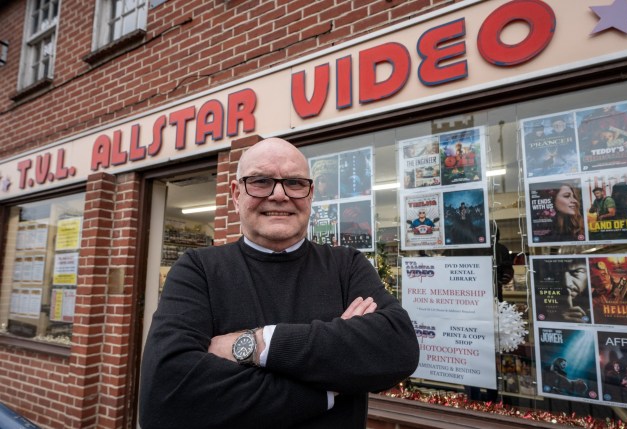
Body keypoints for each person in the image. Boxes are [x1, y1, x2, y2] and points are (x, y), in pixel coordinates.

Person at [139, 138, 419, 429]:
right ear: (236, 194)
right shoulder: (198, 269)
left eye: (295, 182)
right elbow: (166, 397)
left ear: (310, 194)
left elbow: (397, 348)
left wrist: (254, 344)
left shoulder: (346, 265)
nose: (279, 195)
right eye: (261, 181)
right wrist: (327, 389)